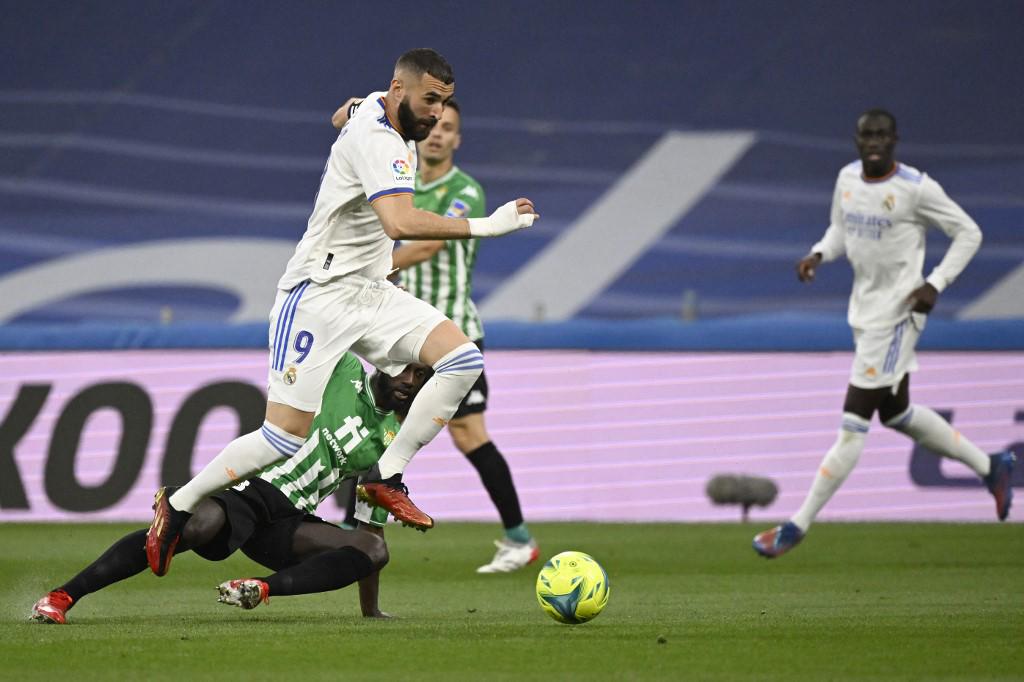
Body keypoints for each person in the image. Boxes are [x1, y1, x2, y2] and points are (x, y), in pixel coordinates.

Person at [146, 48, 540, 577]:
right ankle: (178, 504)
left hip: (370, 291)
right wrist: (490, 226)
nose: (435, 114)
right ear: (399, 90)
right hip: (318, 296)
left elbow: (344, 111)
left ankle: (385, 475)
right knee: (282, 438)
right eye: (429, 101)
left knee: (462, 359)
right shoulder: (379, 140)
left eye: (443, 104)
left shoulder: (380, 108)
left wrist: (351, 110)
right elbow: (399, 222)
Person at [753, 109, 1015, 559]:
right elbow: (841, 229)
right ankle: (991, 466)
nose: (873, 141)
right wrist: (819, 254)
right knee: (896, 413)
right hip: (864, 313)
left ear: (895, 140)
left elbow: (969, 232)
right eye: (866, 135)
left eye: (881, 135)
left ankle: (796, 526)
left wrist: (936, 283)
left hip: (897, 316)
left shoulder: (915, 188)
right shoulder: (847, 179)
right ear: (857, 141)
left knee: (853, 426)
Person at [30, 354, 431, 624]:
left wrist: (370, 611)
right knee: (194, 528)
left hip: (290, 520)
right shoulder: (343, 368)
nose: (409, 381)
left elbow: (370, 525)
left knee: (374, 550)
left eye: (420, 376)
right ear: (385, 359)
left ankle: (259, 588)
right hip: (250, 488)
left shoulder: (394, 439)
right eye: (405, 369)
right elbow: (331, 319)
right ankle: (63, 597)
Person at [332, 98, 538, 573]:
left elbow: (427, 244)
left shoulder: (464, 190)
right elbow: (341, 119)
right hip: (399, 331)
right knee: (376, 427)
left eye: (449, 128)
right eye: (436, 124)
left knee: (468, 434)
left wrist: (367, 267)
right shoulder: (399, 177)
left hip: (451, 330)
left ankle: (518, 539)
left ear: (457, 139)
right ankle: (350, 532)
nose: (440, 133)